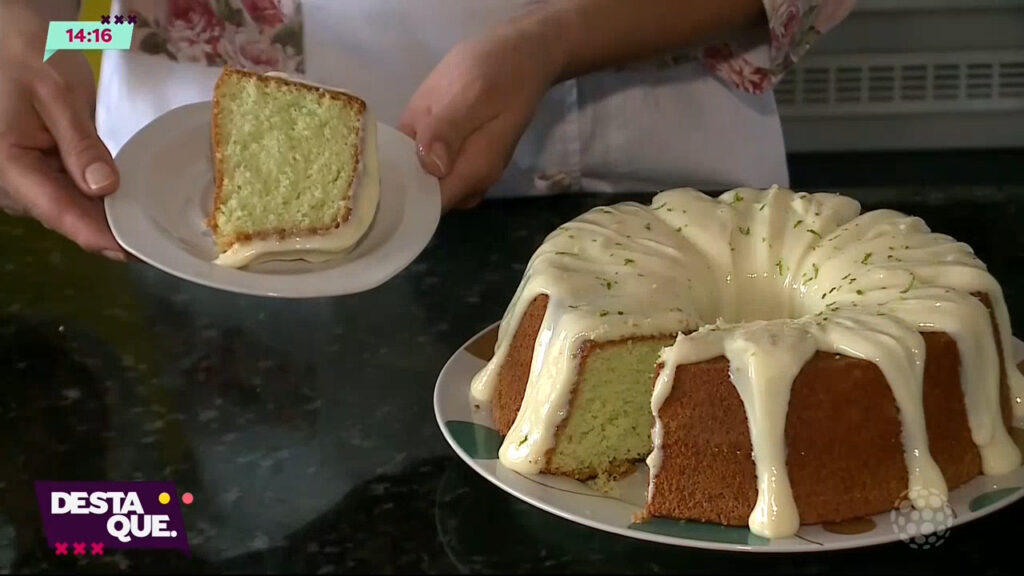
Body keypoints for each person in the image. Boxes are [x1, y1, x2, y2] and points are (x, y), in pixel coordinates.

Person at [0, 0, 854, 262]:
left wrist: (556, 38)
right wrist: (24, 25)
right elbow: (73, 22)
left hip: (653, 154)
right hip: (197, 191)